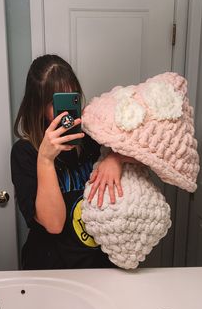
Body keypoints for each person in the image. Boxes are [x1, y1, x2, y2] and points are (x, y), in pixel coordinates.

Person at [11, 54, 132, 270]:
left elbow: (147, 150)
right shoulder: (25, 153)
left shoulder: (93, 137)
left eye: (72, 98)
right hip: (52, 267)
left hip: (100, 263)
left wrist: (115, 158)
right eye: (56, 102)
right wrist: (46, 159)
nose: (66, 111)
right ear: (39, 107)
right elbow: (54, 224)